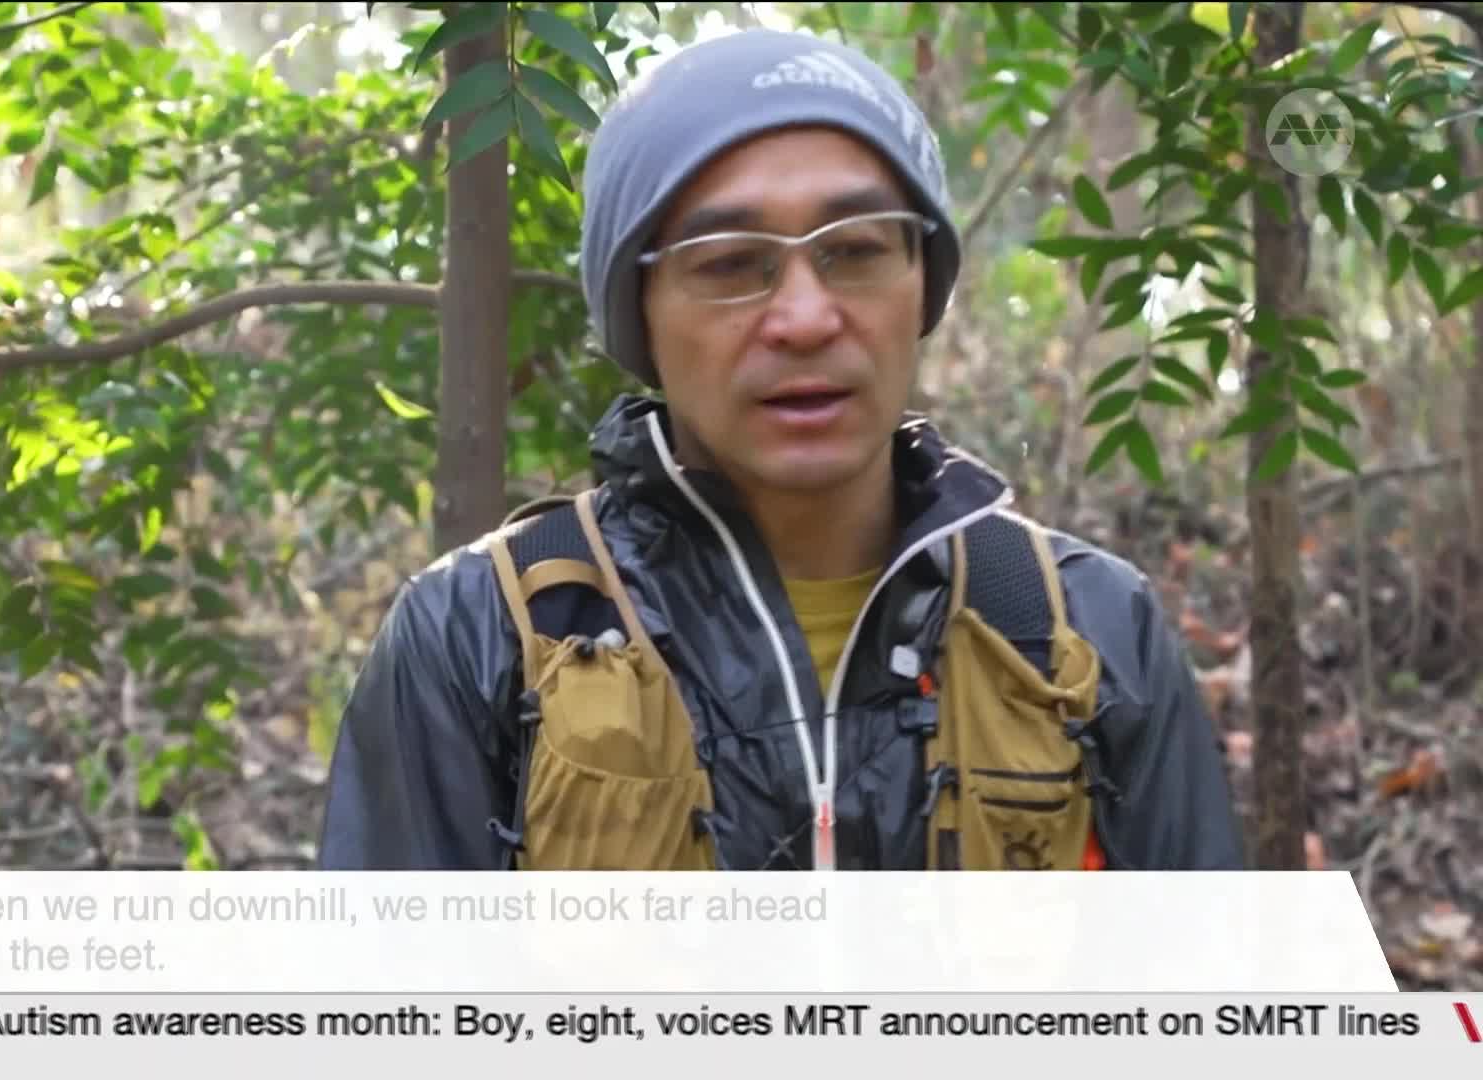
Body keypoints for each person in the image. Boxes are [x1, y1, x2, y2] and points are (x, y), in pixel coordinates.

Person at [315, 28, 1244, 871]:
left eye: (855, 251)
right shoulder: (481, 638)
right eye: (729, 264)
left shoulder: (1081, 629)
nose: (804, 317)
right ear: (637, 312)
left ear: (924, 286)